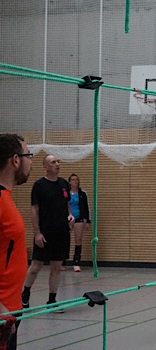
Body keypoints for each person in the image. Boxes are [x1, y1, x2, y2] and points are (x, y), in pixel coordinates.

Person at [21, 154, 73, 313]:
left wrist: (70, 215)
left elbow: (67, 204)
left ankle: (51, 301)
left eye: (58, 161)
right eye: (53, 162)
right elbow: (34, 209)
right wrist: (37, 233)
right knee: (36, 266)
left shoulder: (64, 184)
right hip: (45, 232)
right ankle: (25, 294)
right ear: (45, 166)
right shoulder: (39, 185)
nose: (57, 164)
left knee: (56, 267)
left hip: (62, 232)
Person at [0, 134, 33, 350]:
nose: (31, 161)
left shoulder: (7, 198)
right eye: (28, 155)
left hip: (11, 310)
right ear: (15, 160)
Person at [67, 174, 90, 272]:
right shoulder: (66, 193)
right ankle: (62, 261)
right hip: (67, 218)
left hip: (79, 218)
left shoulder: (82, 194)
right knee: (65, 240)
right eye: (73, 180)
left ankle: (76, 262)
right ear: (69, 182)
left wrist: (87, 220)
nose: (75, 181)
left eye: (76, 179)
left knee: (78, 240)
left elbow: (86, 207)